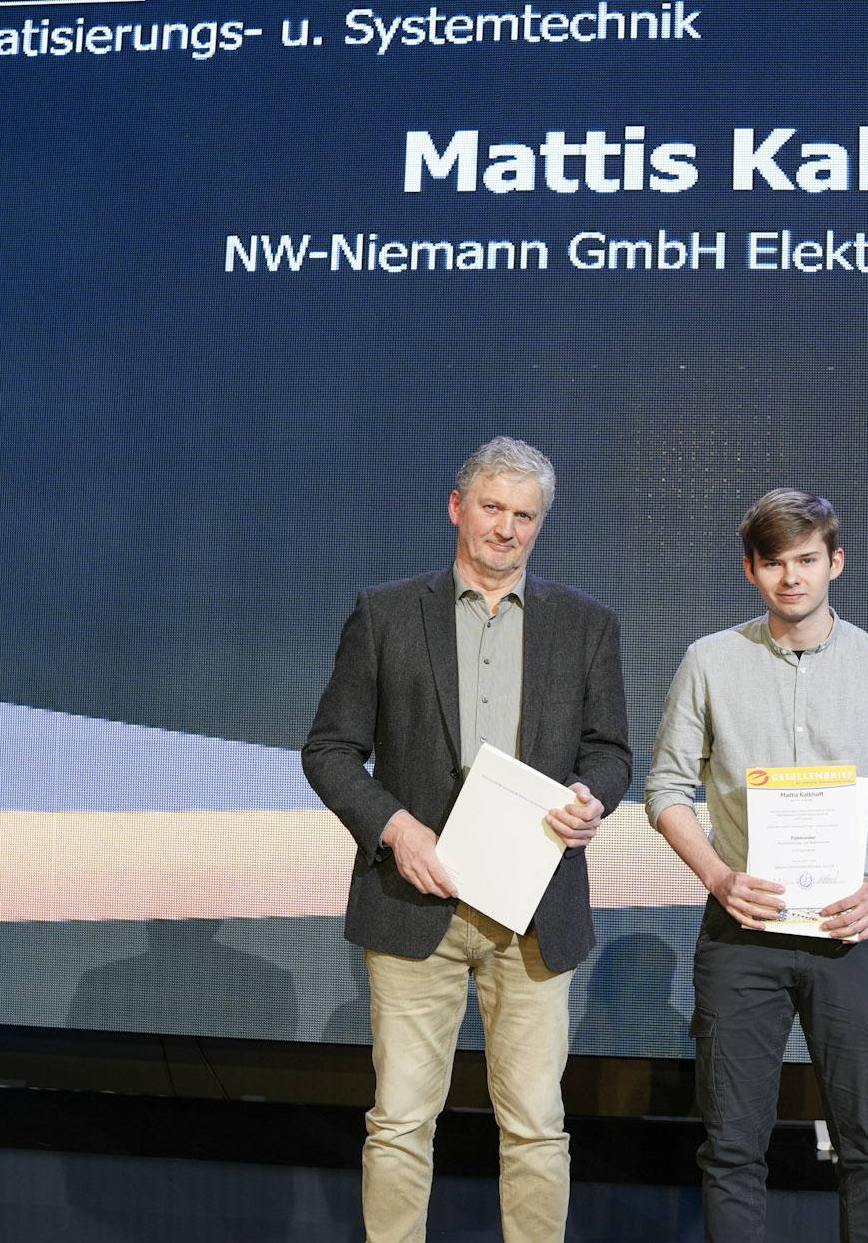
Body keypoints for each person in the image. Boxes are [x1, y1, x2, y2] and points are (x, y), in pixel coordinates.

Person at [302, 436, 630, 1243]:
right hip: (415, 903)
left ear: (540, 523)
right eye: (492, 507)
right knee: (401, 1121)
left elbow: (611, 752)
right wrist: (394, 826)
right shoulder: (385, 613)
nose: (507, 528)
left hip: (533, 912)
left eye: (525, 515)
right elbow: (331, 749)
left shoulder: (586, 623)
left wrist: (593, 797)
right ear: (457, 507)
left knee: (536, 1126)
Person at [644, 488, 868, 1243]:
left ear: (835, 562)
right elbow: (666, 790)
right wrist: (718, 876)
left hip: (851, 934)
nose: (791, 577)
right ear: (750, 568)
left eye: (807, 559)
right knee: (732, 1150)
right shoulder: (709, 662)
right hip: (742, 933)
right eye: (774, 562)